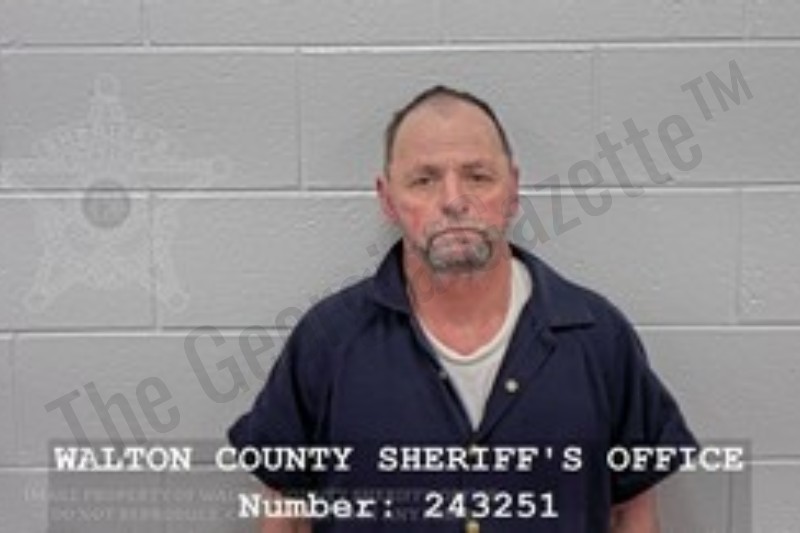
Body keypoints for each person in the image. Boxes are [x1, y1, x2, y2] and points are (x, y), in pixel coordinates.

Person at [228, 85, 698, 532]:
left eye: (478, 176)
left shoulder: (598, 339)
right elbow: (285, 515)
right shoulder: (327, 342)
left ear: (513, 190)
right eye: (424, 180)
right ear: (388, 199)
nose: (454, 201)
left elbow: (633, 514)